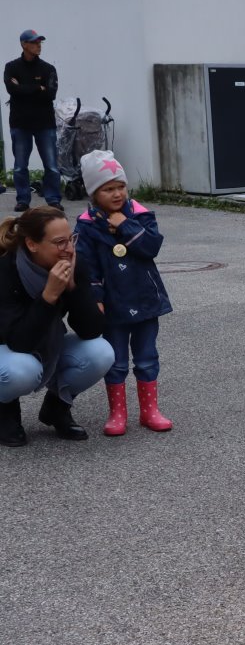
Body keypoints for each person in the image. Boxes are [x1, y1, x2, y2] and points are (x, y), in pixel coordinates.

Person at [73, 150, 173, 435]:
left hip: (144, 299)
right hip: (113, 303)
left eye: (120, 186)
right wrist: (95, 299)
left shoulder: (140, 216)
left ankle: (149, 411)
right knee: (116, 362)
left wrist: (125, 225)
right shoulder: (87, 225)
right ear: (94, 193)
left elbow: (151, 246)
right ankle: (117, 414)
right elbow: (86, 268)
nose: (117, 193)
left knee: (146, 356)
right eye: (108, 189)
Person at [0, 206, 113, 446]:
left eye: (71, 239)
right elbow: (19, 342)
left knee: (101, 353)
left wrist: (73, 289)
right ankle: (5, 411)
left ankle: (56, 407)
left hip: (37, 343)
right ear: (32, 245)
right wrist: (49, 296)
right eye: (60, 243)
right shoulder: (6, 269)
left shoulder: (71, 262)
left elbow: (92, 329)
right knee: (21, 370)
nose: (70, 249)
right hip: (6, 348)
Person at [4, 30, 61, 214]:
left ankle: (53, 199)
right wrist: (38, 88)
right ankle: (23, 200)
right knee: (20, 166)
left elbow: (50, 94)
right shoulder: (11, 67)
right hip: (20, 124)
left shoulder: (48, 69)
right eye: (34, 42)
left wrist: (23, 88)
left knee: (51, 165)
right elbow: (12, 90)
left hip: (45, 124)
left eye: (39, 42)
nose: (38, 45)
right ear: (24, 44)